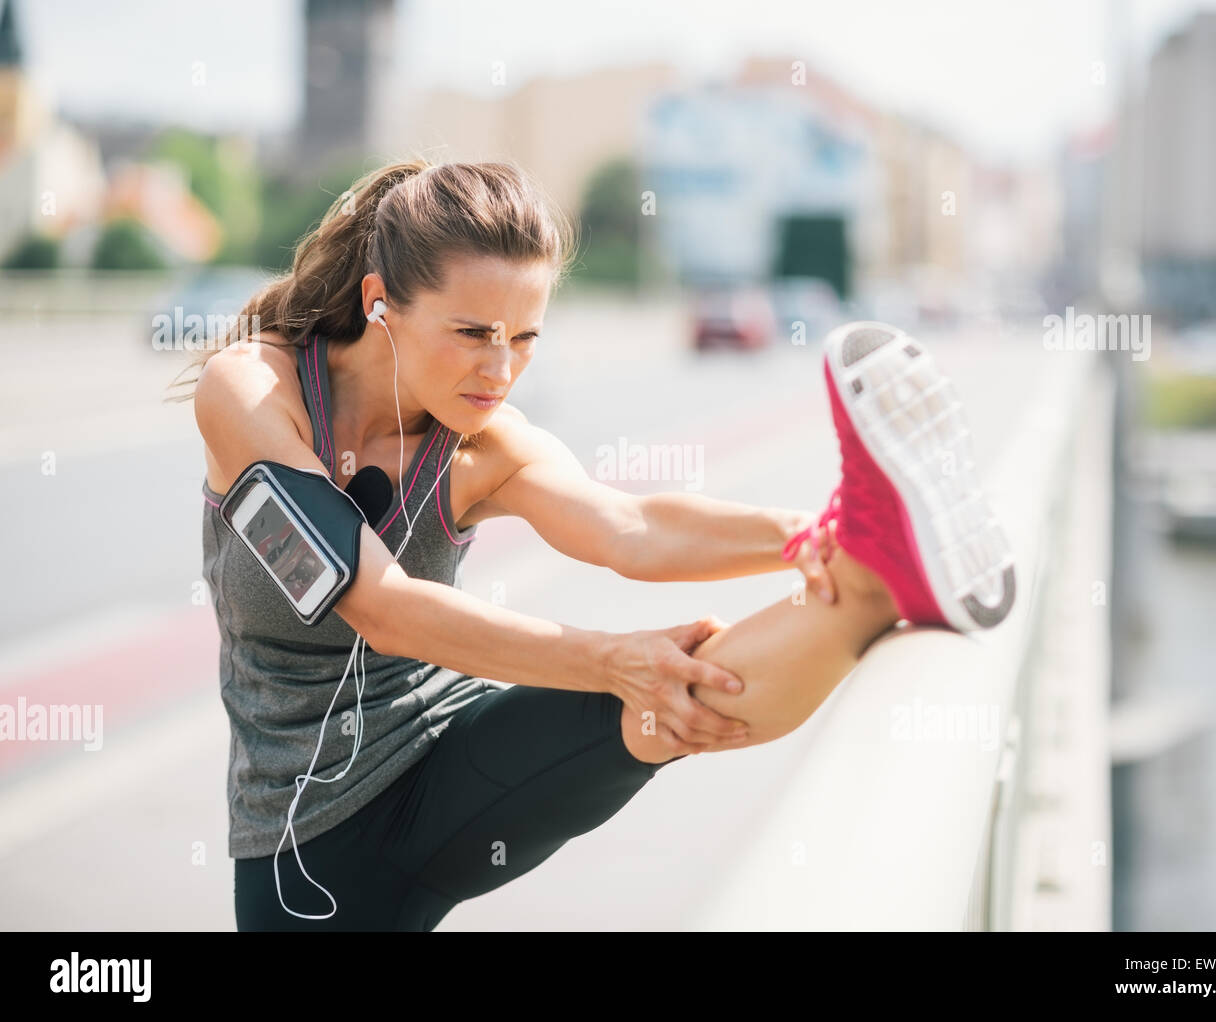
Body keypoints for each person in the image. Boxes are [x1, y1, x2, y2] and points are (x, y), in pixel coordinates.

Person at [167, 158, 1014, 931]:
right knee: (637, 677)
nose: (500, 371)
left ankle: (876, 573)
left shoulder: (484, 445)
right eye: (473, 333)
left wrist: (806, 536)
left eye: (524, 338)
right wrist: (610, 658)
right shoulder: (253, 390)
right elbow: (382, 608)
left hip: (445, 764)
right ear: (379, 302)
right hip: (306, 850)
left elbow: (630, 529)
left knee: (667, 702)